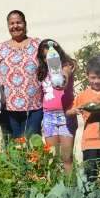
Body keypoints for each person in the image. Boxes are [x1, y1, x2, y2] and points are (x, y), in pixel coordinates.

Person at [0, 10, 43, 138]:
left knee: (32, 145)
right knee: (12, 147)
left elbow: (51, 65)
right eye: (11, 23)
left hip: (34, 106)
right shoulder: (0, 48)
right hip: (7, 108)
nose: (15, 26)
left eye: (18, 22)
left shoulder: (37, 44)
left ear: (25, 24)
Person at [37, 39, 77, 172]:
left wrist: (61, 78)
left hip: (66, 115)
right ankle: (55, 188)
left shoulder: (67, 66)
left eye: (51, 56)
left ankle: (71, 189)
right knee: (52, 158)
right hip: (49, 117)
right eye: (45, 57)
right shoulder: (42, 72)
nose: (49, 60)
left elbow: (64, 80)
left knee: (67, 158)